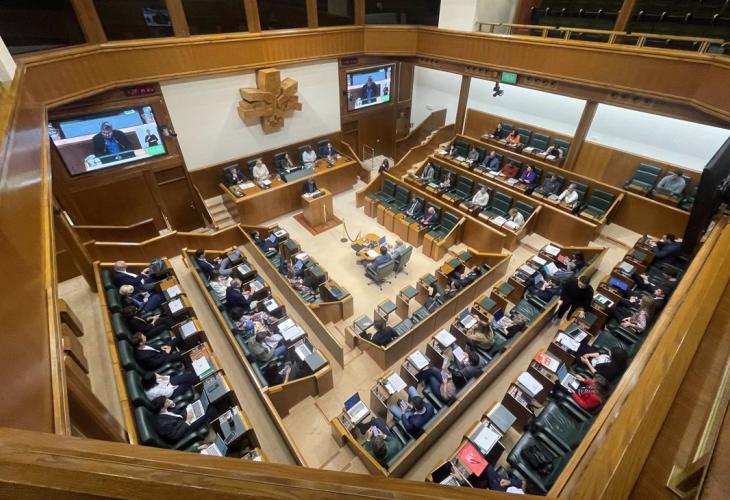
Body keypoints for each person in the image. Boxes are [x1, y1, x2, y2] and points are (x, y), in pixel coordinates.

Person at [149, 396, 218, 444]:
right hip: (186, 429)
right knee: (211, 409)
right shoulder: (163, 424)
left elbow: (174, 414)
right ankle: (218, 423)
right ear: (162, 408)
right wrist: (187, 421)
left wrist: (171, 404)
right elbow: (176, 436)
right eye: (166, 401)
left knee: (199, 401)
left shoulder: (161, 410)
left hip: (181, 418)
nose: (168, 400)